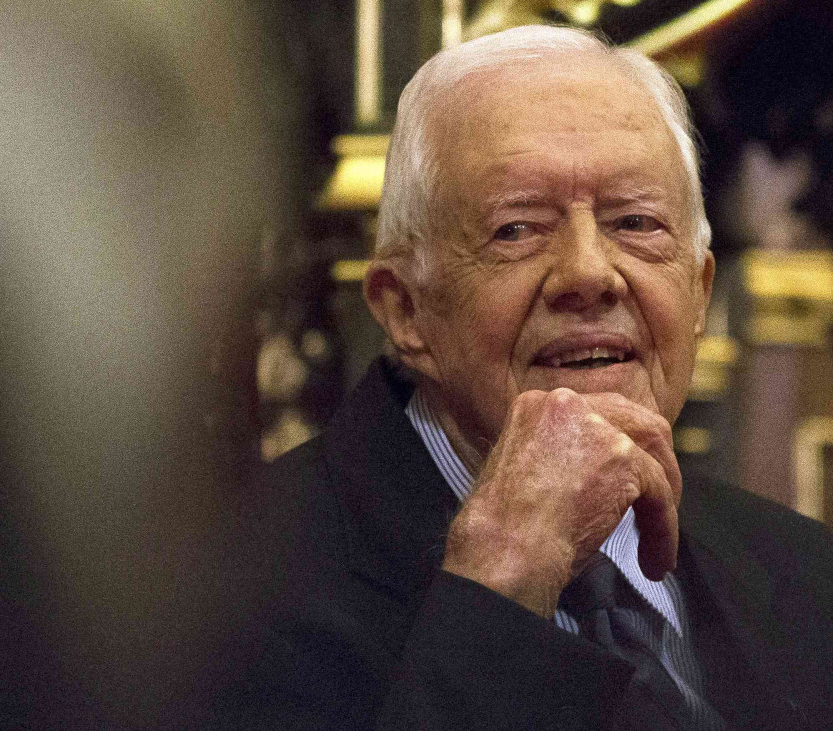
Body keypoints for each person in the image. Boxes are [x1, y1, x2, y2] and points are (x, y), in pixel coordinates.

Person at [223, 25, 833, 730]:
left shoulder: (807, 573)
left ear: (698, 292)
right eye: (516, 229)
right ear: (405, 307)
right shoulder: (222, 597)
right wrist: (500, 589)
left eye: (635, 221)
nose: (589, 274)